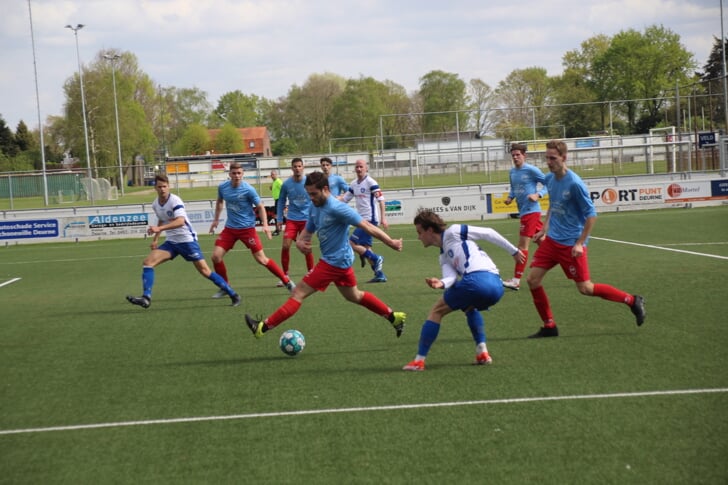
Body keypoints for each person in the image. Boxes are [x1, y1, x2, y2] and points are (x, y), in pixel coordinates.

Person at [244, 171, 406, 339]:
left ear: (325, 189)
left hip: (334, 261)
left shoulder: (338, 208)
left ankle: (262, 328)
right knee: (354, 295)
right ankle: (394, 317)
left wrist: (391, 242)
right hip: (339, 260)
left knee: (298, 293)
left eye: (314, 194)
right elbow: (308, 231)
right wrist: (300, 242)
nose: (311, 198)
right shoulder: (315, 206)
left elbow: (368, 226)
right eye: (308, 194)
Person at [526, 140, 646, 338]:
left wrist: (580, 243)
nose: (549, 162)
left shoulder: (574, 183)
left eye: (553, 158)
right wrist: (544, 228)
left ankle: (632, 300)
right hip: (552, 242)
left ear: (564, 158)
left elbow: (591, 215)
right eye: (547, 158)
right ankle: (549, 326)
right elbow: (553, 206)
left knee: (585, 288)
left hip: (571, 244)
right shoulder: (549, 179)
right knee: (532, 280)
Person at [402, 209, 524, 371]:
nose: (418, 237)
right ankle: (482, 352)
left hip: (477, 280)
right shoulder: (443, 255)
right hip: (496, 285)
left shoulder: (454, 232)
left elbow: (488, 232)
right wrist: (441, 283)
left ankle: (419, 361)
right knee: (469, 306)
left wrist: (514, 251)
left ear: (430, 230)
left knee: (436, 311)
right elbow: (450, 278)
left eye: (419, 232)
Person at [126, 173, 240, 308]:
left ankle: (233, 294)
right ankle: (146, 298)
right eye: (159, 187)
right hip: (172, 242)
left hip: (187, 240)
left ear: (169, 187)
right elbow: (161, 219)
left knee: (205, 271)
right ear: (155, 188)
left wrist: (159, 228)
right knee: (148, 263)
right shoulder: (155, 204)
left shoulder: (175, 200)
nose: (162, 189)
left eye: (164, 186)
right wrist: (156, 239)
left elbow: (180, 221)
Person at [208, 162, 295, 297]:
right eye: (234, 173)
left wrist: (265, 225)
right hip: (230, 229)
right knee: (216, 257)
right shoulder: (223, 187)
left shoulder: (248, 189)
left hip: (247, 229)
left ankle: (286, 281)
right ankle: (225, 287)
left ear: (243, 174)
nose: (236, 176)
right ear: (229, 174)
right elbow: (220, 202)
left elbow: (260, 206)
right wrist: (215, 219)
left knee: (262, 259)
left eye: (239, 173)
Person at [502, 142, 548, 290]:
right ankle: (565, 257)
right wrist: (510, 197)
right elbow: (514, 188)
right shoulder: (512, 172)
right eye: (513, 155)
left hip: (531, 211)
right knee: (542, 241)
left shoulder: (531, 170)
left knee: (522, 246)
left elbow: (549, 183)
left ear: (524, 155)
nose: (515, 157)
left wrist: (538, 194)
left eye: (518, 155)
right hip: (524, 211)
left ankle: (516, 280)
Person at [342, 159, 388, 283]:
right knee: (366, 248)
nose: (359, 169)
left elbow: (381, 200)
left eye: (361, 167)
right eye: (357, 167)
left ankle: (377, 258)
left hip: (370, 219)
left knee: (351, 243)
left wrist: (383, 218)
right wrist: (330, 199)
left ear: (366, 168)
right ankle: (379, 274)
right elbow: (344, 199)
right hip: (361, 220)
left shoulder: (371, 182)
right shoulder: (353, 184)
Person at [276, 158, 314, 285]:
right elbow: (281, 201)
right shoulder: (286, 184)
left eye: (299, 166)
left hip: (306, 219)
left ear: (303, 167)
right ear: (291, 168)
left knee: (306, 247)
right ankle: (285, 276)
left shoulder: (309, 182)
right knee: (285, 245)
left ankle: (311, 273)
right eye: (295, 166)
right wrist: (280, 219)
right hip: (292, 219)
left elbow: (315, 198)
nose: (297, 168)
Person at [270, 169, 283, 236]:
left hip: (279, 200)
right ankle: (279, 229)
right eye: (271, 175)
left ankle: (277, 230)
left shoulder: (278, 181)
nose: (272, 176)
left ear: (276, 175)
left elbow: (283, 189)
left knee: (276, 215)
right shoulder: (275, 182)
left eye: (273, 174)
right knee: (277, 215)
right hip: (277, 200)